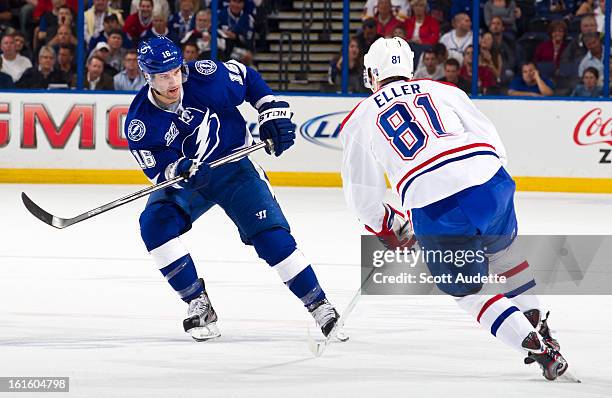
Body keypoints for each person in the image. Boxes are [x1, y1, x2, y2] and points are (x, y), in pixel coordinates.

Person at [341, 36, 568, 381]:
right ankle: (542, 327)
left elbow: (364, 198)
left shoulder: (360, 118)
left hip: (438, 204)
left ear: (372, 72)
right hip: (492, 182)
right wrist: (483, 185)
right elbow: (491, 141)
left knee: (465, 290)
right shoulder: (445, 90)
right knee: (502, 255)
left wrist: (391, 228)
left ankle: (538, 350)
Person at [124, 36, 341, 341]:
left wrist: (271, 111)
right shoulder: (140, 123)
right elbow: (159, 171)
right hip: (191, 179)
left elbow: (250, 80)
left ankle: (320, 305)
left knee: (272, 240)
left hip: (234, 169)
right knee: (154, 226)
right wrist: (178, 169)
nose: (173, 80)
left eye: (175, 71)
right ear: (147, 76)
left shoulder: (206, 77)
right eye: (162, 75)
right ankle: (197, 302)